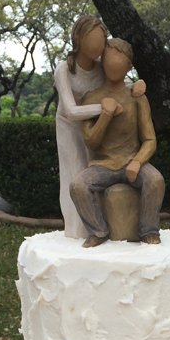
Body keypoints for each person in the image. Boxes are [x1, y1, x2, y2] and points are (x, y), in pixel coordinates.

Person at [54, 15, 145, 238]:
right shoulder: (64, 69)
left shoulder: (100, 68)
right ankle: (76, 229)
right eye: (92, 38)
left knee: (94, 170)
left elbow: (119, 82)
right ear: (78, 38)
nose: (98, 45)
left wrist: (135, 86)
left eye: (101, 39)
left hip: (96, 126)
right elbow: (71, 111)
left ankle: (100, 224)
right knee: (74, 172)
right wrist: (104, 109)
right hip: (69, 128)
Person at [70, 38, 165, 248]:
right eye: (110, 56)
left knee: (155, 180)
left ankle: (149, 230)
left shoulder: (137, 96)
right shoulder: (91, 97)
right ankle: (98, 230)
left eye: (120, 58)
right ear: (102, 61)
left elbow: (150, 139)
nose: (114, 62)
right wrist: (105, 114)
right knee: (78, 186)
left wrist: (137, 162)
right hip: (103, 164)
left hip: (131, 160)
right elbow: (91, 142)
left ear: (129, 66)